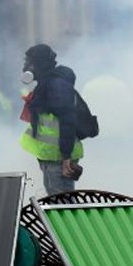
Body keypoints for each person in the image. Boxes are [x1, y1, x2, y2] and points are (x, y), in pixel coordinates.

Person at [19, 43, 84, 196]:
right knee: (55, 205)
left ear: (39, 63)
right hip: (51, 158)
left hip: (60, 159)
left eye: (30, 62)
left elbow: (67, 120)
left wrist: (66, 156)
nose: (26, 67)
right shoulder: (47, 84)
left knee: (62, 208)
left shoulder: (57, 85)